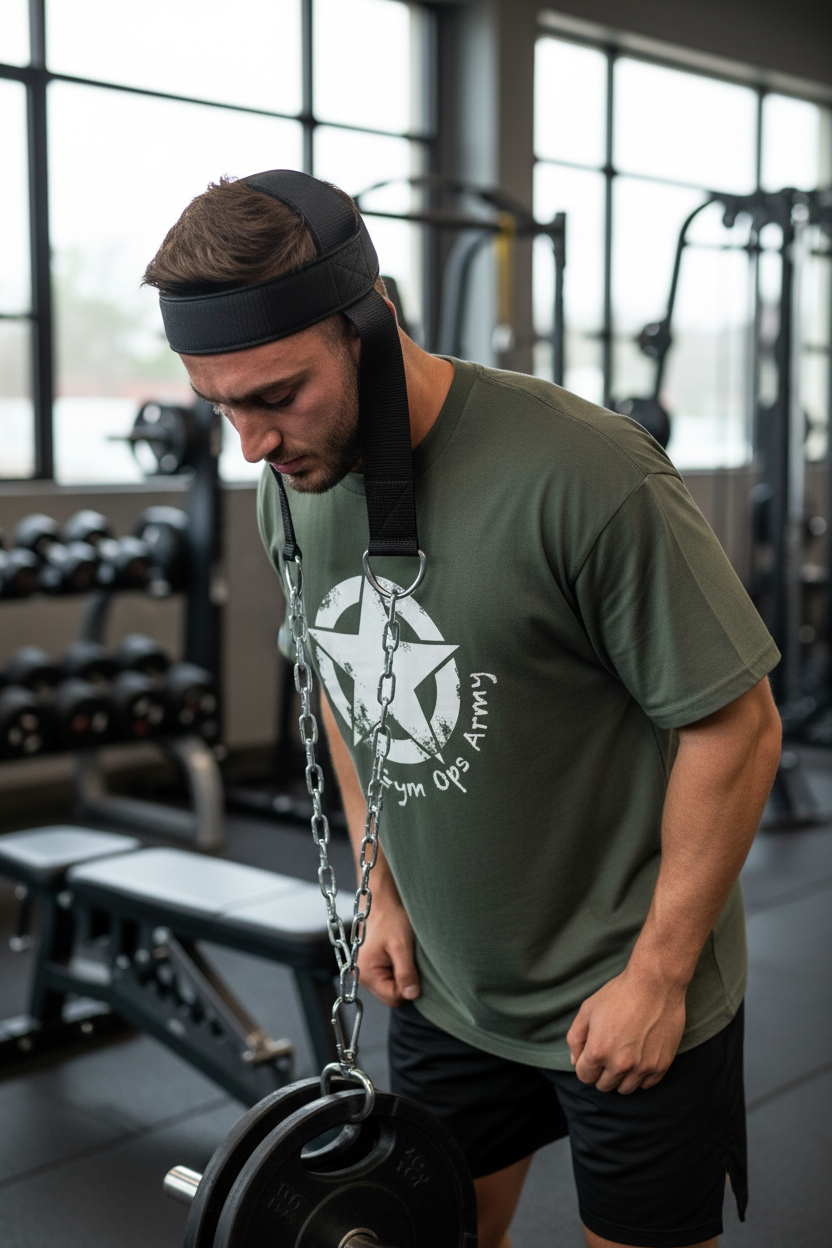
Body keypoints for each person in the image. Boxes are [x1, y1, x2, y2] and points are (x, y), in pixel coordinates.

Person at [144, 172, 782, 1248]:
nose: (250, 442)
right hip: (444, 981)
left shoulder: (585, 472)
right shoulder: (290, 490)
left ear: (369, 325)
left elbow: (736, 723)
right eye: (222, 406)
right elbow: (342, 699)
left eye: (276, 395)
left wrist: (660, 978)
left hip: (622, 982)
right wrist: (380, 892)